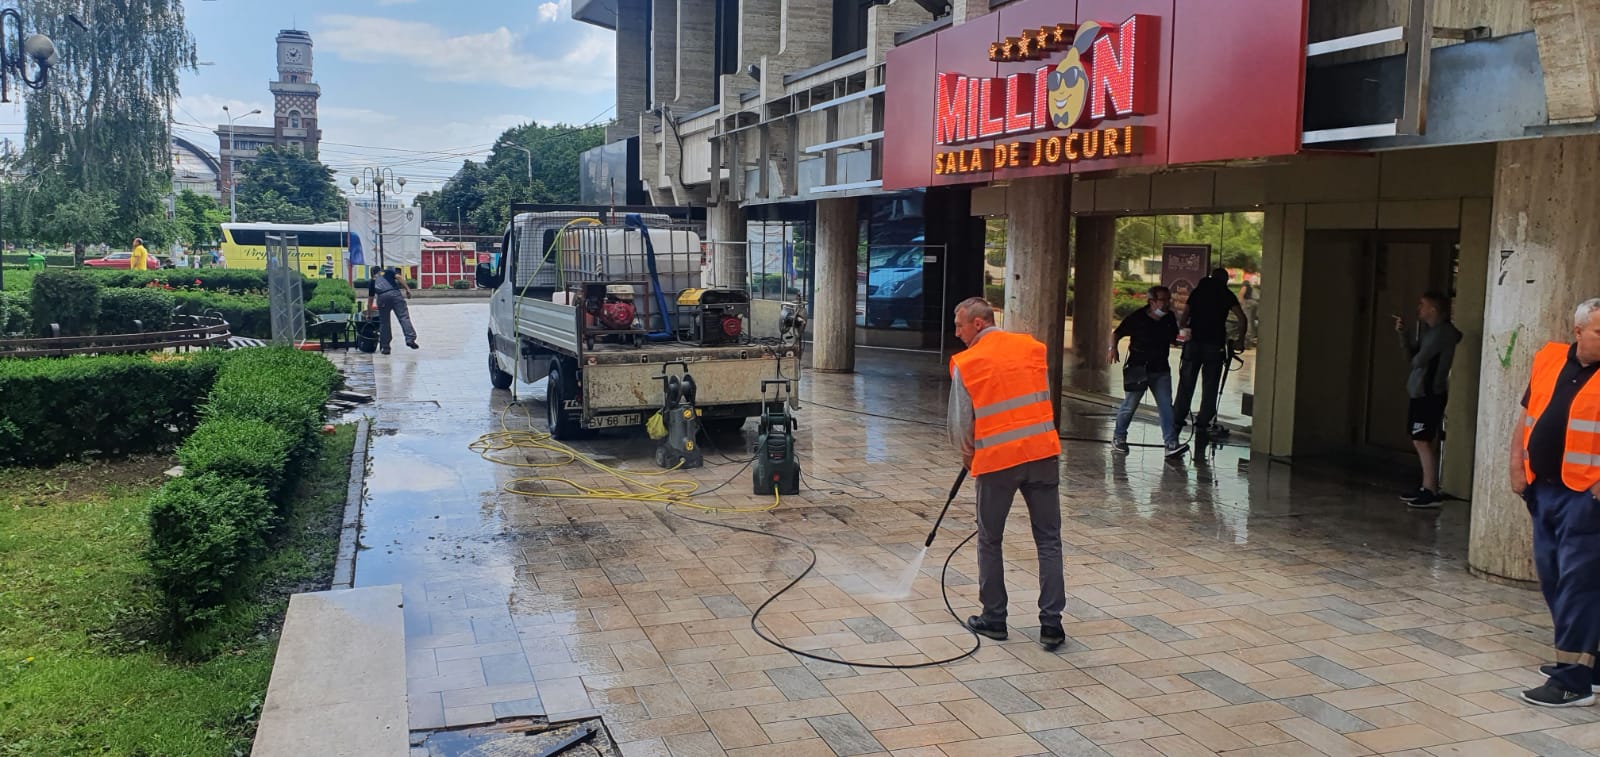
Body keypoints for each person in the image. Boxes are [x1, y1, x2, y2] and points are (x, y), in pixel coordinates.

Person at [947, 297, 1066, 650]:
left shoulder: (968, 363)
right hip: (1043, 455)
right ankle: (1052, 625)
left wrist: (969, 456)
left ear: (978, 324)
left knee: (989, 538)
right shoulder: (1032, 349)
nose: (957, 333)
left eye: (959, 326)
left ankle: (994, 618)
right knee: (1049, 540)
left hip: (997, 462)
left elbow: (959, 426)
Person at [1513, 297, 1600, 708]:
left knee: (1577, 584)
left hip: (1586, 498)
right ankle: (1592, 662)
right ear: (1578, 331)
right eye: (1599, 331)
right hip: (1543, 489)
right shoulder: (1549, 360)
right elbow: (1527, 417)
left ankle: (1573, 679)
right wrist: (1517, 468)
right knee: (1551, 575)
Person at [1395, 291, 1462, 507]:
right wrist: (1403, 335)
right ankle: (1427, 485)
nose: (1419, 309)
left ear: (1433, 309)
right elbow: (1412, 357)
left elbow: (1417, 360)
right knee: (1421, 438)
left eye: (1422, 305)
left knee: (1421, 439)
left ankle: (1430, 489)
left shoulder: (1442, 334)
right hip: (1420, 392)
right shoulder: (1430, 332)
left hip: (1430, 393)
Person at [1107, 286, 1187, 457]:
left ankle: (1171, 443)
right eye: (1162, 300)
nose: (1167, 304)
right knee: (1130, 405)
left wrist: (1184, 338)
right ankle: (1119, 437)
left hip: (1160, 369)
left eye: (1168, 300)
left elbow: (1174, 339)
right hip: (1138, 367)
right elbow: (1118, 333)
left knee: (1166, 406)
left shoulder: (1169, 318)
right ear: (1152, 302)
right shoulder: (1138, 317)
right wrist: (1112, 348)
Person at [1173, 268, 1247, 441]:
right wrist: (1240, 340)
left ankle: (1177, 418)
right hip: (1214, 345)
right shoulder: (1226, 294)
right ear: (1225, 280)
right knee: (1211, 385)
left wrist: (1187, 329)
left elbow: (1184, 319)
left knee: (1186, 382)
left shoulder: (1198, 292)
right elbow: (1242, 318)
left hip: (1194, 344)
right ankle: (1203, 422)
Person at [367, 266, 418, 355]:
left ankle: (386, 347)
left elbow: (370, 300)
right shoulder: (388, 272)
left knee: (384, 322)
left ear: (372, 273)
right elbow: (399, 277)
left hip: (382, 298)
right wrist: (407, 289)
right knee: (403, 317)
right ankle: (410, 338)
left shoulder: (372, 281)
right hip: (395, 294)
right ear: (380, 270)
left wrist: (369, 314)